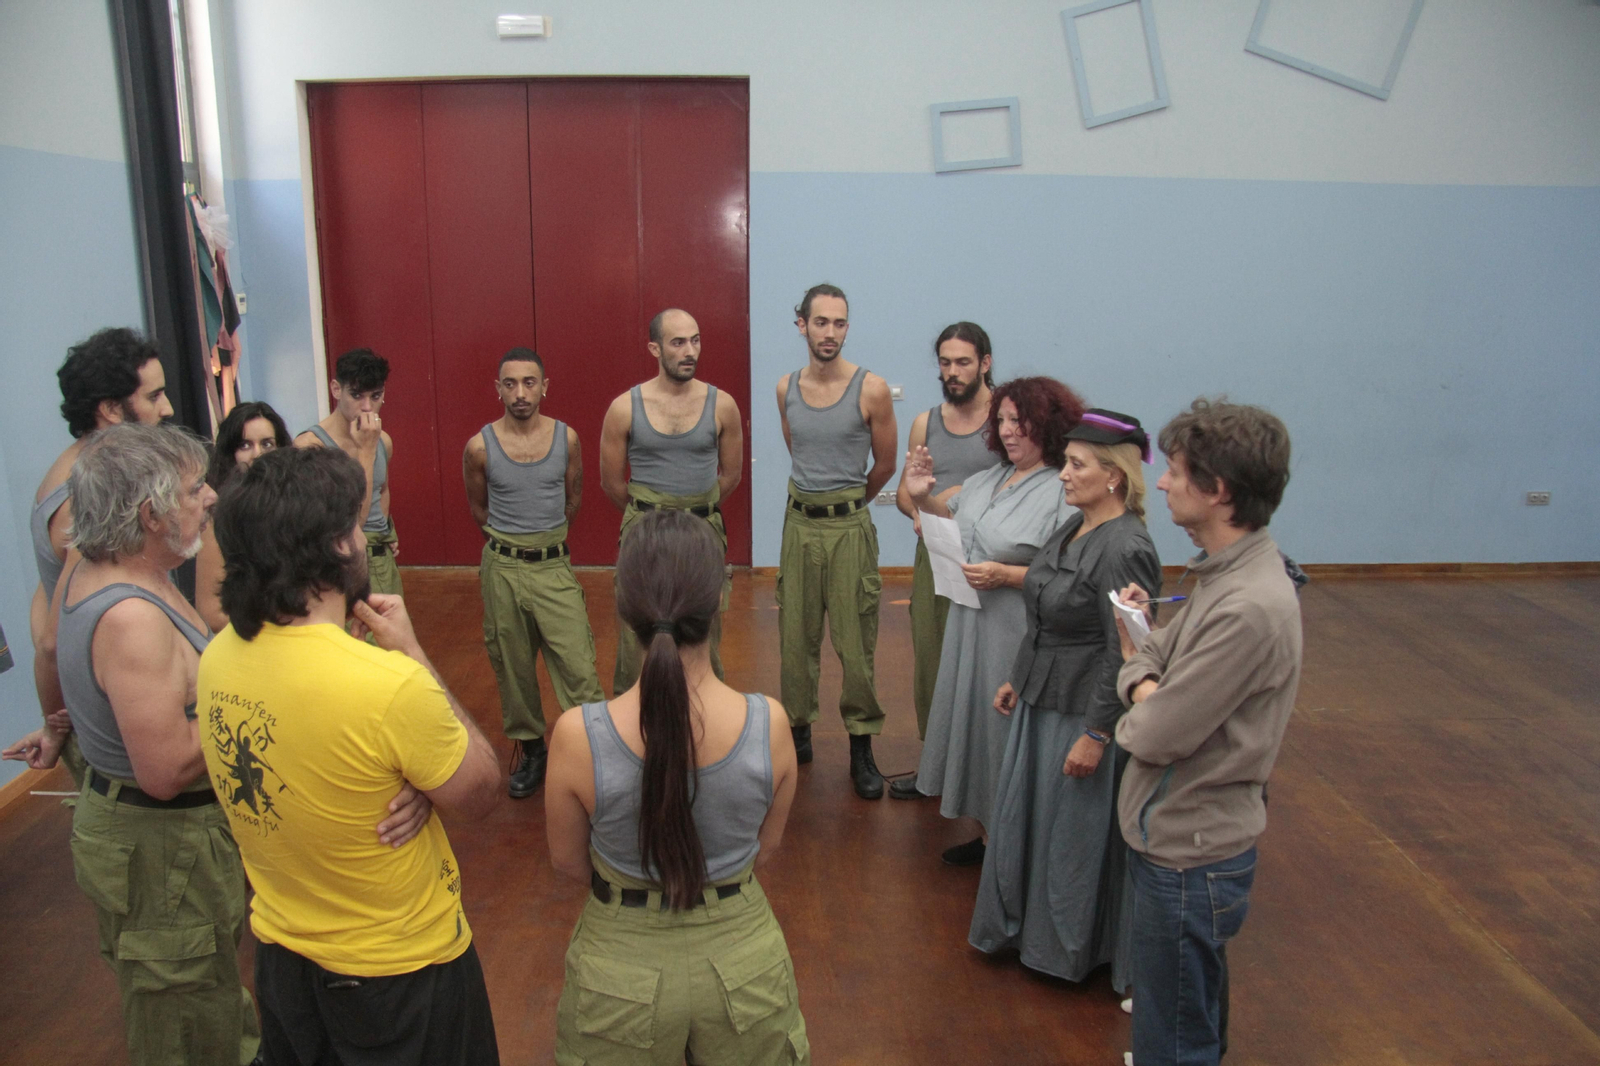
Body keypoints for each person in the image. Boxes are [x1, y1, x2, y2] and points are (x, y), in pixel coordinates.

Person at [200, 444, 502, 1066]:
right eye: (356, 527)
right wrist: (413, 656)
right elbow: (478, 794)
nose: (365, 540)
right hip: (397, 977)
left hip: (282, 964)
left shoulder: (219, 658)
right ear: (339, 547)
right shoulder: (387, 686)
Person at [8, 423, 261, 1066]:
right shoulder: (131, 618)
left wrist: (62, 726)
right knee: (186, 1018)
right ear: (149, 514)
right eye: (192, 489)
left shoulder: (97, 566)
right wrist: (257, 698)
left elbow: (74, 672)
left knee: (205, 994)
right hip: (162, 852)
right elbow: (166, 767)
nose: (209, 497)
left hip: (159, 848)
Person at [545, 510, 807, 1064]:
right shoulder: (770, 725)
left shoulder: (577, 735)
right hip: (744, 966)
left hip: (619, 970)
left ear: (624, 605)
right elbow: (769, 846)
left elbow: (569, 861)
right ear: (721, 599)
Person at [1113, 399, 1300, 1066]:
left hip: (1190, 856)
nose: (1160, 482)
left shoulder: (1248, 605)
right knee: (1183, 1015)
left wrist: (1139, 683)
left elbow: (1154, 733)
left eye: (1177, 471)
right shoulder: (1220, 576)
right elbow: (1156, 657)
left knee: (1176, 1038)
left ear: (1217, 490)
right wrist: (1147, 674)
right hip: (1180, 839)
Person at [968, 410, 1161, 992]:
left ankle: (1069, 947)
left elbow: (1121, 652)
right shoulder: (1075, 527)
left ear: (1114, 477)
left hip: (1082, 712)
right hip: (1042, 698)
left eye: (1076, 465)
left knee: (1071, 838)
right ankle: (1026, 931)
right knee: (1032, 823)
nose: (1062, 475)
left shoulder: (1125, 546)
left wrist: (1097, 734)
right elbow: (1047, 603)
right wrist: (1019, 676)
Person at [904, 377, 1083, 864]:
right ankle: (988, 837)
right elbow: (947, 526)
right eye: (1000, 420)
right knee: (976, 729)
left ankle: (1018, 848)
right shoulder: (988, 480)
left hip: (1016, 631)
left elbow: (1071, 577)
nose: (1007, 431)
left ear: (1046, 425)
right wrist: (923, 497)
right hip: (970, 626)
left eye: (1018, 422)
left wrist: (1007, 575)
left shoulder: (1061, 491)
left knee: (1007, 735)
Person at [11, 328, 174, 781]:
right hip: (115, 725)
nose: (168, 409)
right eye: (154, 396)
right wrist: (55, 725)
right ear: (109, 409)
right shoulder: (81, 498)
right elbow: (50, 636)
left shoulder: (105, 477)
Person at [775, 283, 897, 799]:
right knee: (795, 639)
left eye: (840, 323)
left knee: (855, 643)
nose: (830, 333)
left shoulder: (871, 389)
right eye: (821, 322)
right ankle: (798, 733)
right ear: (801, 323)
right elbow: (796, 449)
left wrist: (849, 507)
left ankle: (861, 746)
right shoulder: (785, 388)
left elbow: (885, 465)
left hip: (849, 529)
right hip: (799, 526)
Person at [464, 347, 604, 798]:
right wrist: (511, 543)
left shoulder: (567, 439)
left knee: (579, 665)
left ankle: (594, 752)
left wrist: (544, 541)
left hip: (553, 566)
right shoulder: (479, 446)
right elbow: (479, 508)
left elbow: (573, 499)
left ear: (545, 387)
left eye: (529, 382)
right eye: (510, 383)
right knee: (513, 665)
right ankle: (532, 749)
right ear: (497, 389)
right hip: (502, 568)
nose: (520, 393)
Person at [598, 308, 743, 693]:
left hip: (702, 531)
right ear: (654, 348)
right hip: (645, 531)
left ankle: (705, 729)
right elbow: (612, 483)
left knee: (703, 636)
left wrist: (692, 513)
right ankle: (634, 731)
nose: (689, 350)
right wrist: (652, 516)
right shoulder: (624, 408)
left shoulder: (723, 404)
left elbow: (730, 476)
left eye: (695, 340)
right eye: (678, 342)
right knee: (637, 639)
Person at [890, 321, 997, 800]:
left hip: (990, 562)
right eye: (945, 363)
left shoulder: (1006, 421)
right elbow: (902, 494)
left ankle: (984, 768)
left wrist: (958, 501)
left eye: (963, 363)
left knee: (986, 663)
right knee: (932, 661)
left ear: (985, 363)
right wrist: (917, 511)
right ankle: (934, 766)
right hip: (935, 554)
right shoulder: (925, 423)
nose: (952, 372)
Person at [296, 347, 401, 596]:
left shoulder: (383, 440)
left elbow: (382, 489)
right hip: (339, 565)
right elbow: (349, 522)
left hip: (381, 560)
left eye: (375, 396)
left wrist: (384, 531)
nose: (367, 408)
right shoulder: (311, 447)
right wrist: (365, 452)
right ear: (336, 390)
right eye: (356, 395)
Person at [196, 401, 291, 632]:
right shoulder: (217, 519)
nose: (258, 454)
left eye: (267, 444)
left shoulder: (297, 507)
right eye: (245, 445)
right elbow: (212, 614)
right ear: (231, 453)